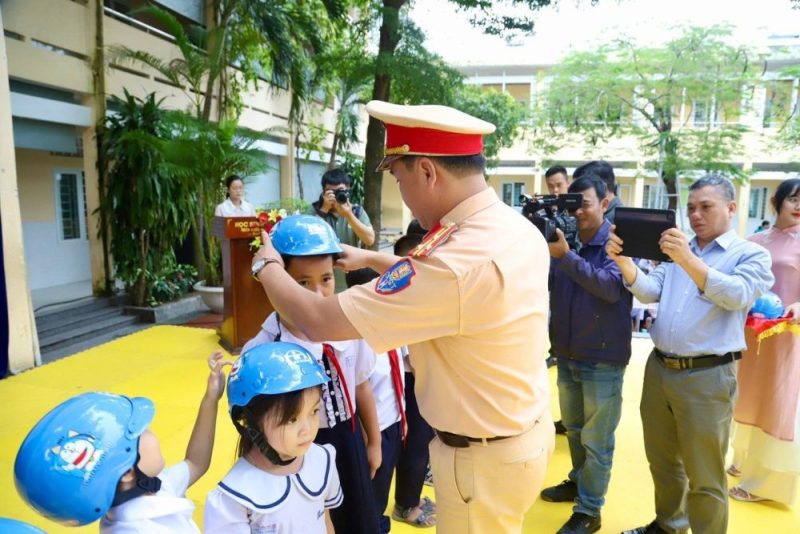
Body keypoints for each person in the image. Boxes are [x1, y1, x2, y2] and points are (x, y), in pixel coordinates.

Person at [251, 100, 554, 534]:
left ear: (427, 171)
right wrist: (372, 258)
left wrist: (267, 267)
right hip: (519, 436)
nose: (404, 196)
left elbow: (318, 319)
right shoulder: (509, 227)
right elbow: (445, 287)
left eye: (399, 179)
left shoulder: (455, 264)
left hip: (481, 462)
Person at [606, 174, 774, 534]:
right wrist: (623, 262)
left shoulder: (750, 254)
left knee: (706, 476)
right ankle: (669, 525)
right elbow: (650, 291)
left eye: (706, 207)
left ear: (731, 208)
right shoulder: (679, 250)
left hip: (708, 376)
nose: (696, 215)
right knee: (663, 461)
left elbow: (737, 295)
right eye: (692, 207)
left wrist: (686, 259)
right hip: (660, 368)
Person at [245, 214, 380, 534]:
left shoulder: (348, 330)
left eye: (326, 279)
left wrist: (373, 442)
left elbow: (361, 386)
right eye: (302, 283)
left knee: (357, 519)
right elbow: (254, 425)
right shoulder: (263, 348)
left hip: (348, 440)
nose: (317, 295)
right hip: (295, 451)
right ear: (276, 281)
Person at [14, 353, 229, 533]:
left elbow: (196, 462)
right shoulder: (137, 528)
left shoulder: (153, 490)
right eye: (141, 433)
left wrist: (211, 399)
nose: (150, 431)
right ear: (126, 472)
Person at [540, 176, 632, 534]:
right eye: (572, 204)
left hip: (602, 356)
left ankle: (590, 510)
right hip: (567, 352)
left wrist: (566, 257)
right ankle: (579, 482)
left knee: (597, 439)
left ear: (605, 203)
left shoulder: (617, 242)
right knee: (576, 431)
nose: (577, 212)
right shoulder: (566, 239)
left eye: (585, 204)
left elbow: (610, 288)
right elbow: (548, 284)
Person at [204, 342, 342, 533]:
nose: (307, 429)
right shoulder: (234, 495)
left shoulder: (322, 460)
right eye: (292, 419)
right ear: (249, 421)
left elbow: (326, 523)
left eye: (314, 411)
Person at [729, 178, 800, 504]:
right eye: (793, 199)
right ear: (776, 201)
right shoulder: (754, 241)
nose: (798, 206)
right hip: (751, 333)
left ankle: (764, 483)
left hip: (787, 335)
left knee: (776, 403)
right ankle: (743, 459)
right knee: (747, 395)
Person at [389, 233, 437, 528]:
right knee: (416, 444)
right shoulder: (403, 301)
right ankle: (406, 505)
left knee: (421, 443)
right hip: (411, 382)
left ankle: (412, 498)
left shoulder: (417, 296)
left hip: (418, 380)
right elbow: (413, 357)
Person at [310, 168, 375, 292]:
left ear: (348, 190)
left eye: (340, 191)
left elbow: (370, 239)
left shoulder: (356, 211)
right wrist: (323, 210)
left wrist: (349, 215)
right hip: (322, 282)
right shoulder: (314, 210)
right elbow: (308, 239)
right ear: (323, 192)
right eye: (331, 192)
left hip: (351, 282)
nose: (336, 196)